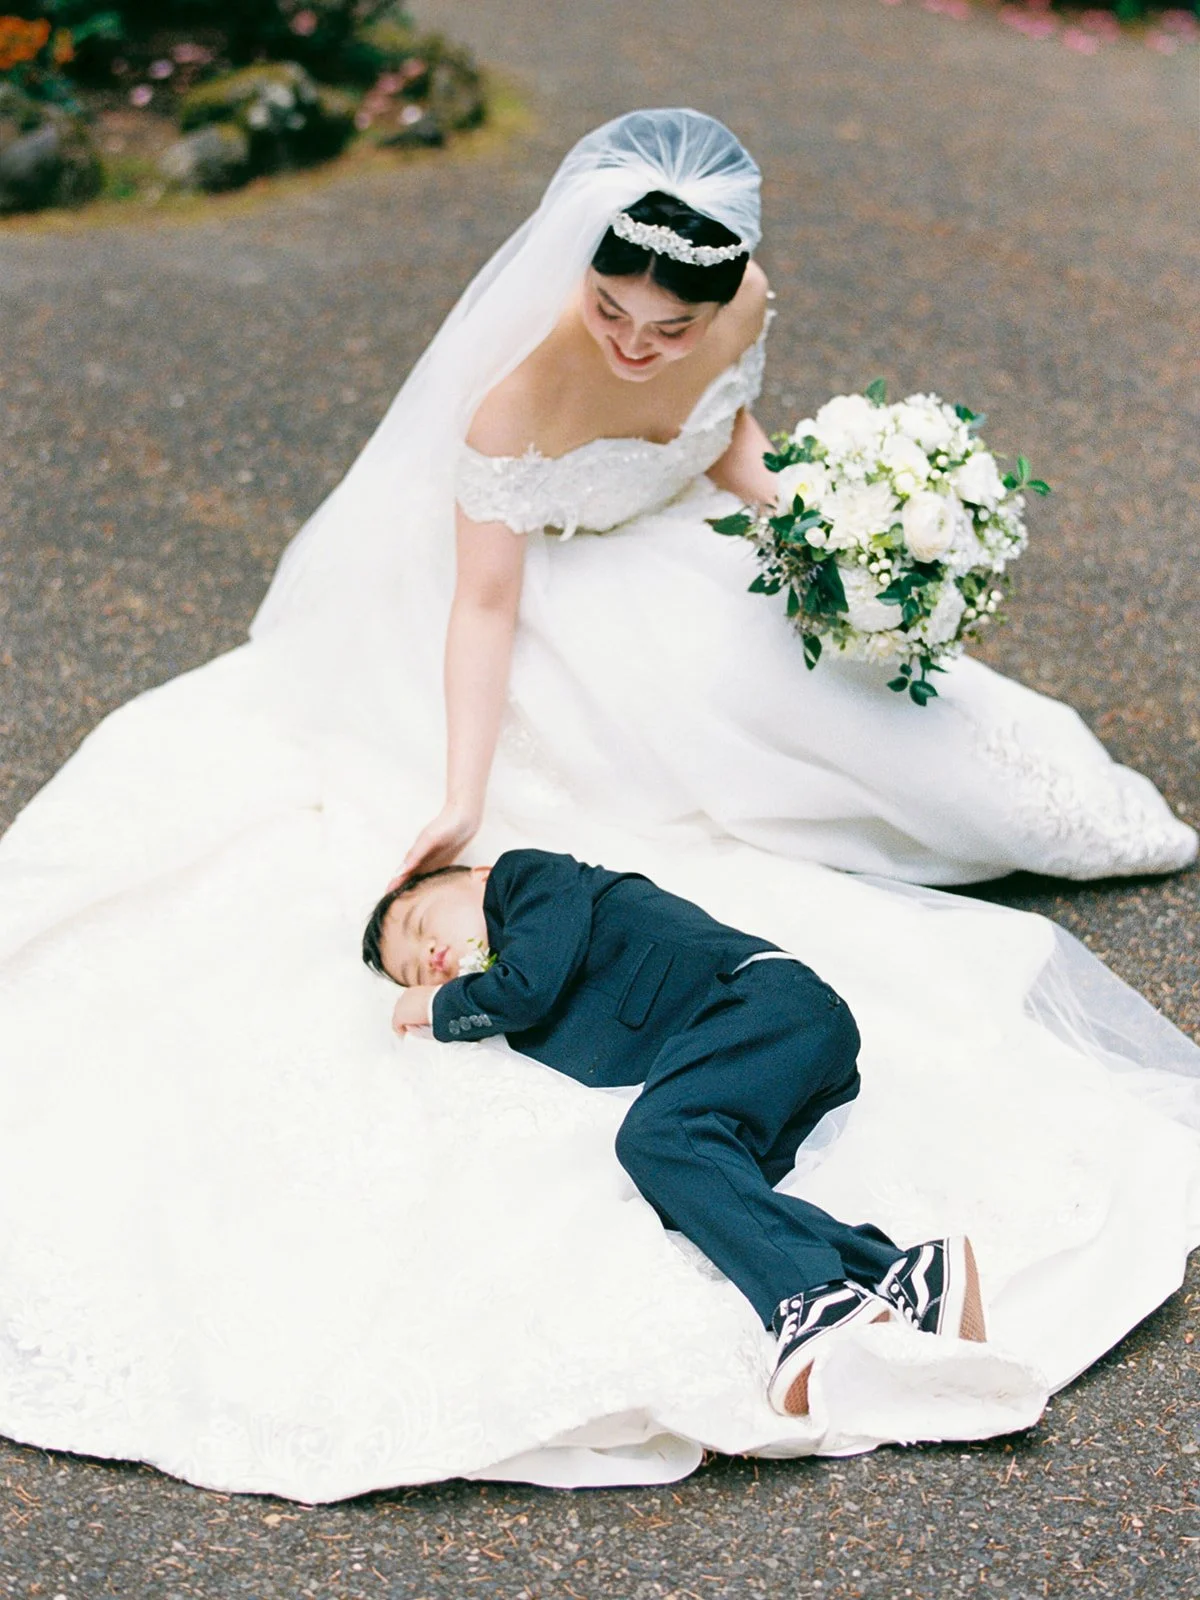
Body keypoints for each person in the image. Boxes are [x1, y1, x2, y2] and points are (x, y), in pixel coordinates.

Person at [0, 109, 1197, 1501]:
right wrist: (462, 792)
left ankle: (856, 1268)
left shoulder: (735, 297)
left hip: (674, 549)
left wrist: (811, 524)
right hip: (546, 603)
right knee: (683, 756)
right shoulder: (510, 404)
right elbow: (486, 603)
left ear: (721, 290)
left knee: (905, 721)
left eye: (664, 326)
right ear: (582, 271)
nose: (635, 344)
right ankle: (854, 1282)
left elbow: (722, 431)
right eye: (611, 310)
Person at [362, 853, 988, 1418]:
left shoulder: (528, 879)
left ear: (476, 876)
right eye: (416, 969)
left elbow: (527, 988)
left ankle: (815, 1300)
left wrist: (432, 1006)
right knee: (696, 1198)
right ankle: (905, 1275)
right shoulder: (518, 976)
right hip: (764, 1047)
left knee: (655, 1138)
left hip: (761, 1000)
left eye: (422, 927)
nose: (433, 957)